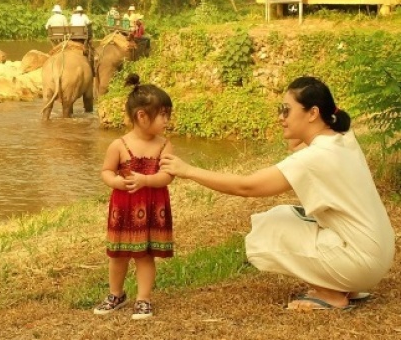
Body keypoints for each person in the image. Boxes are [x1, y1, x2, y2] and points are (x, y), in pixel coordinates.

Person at [160, 76, 395, 311]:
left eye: (286, 110)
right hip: (379, 253)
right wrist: (297, 131)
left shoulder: (315, 158)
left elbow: (247, 186)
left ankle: (331, 295)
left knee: (271, 227)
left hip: (361, 262)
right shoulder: (341, 137)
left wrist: (187, 170)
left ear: (312, 113)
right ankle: (344, 283)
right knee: (287, 214)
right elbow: (297, 146)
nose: (280, 117)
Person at [94, 73, 175, 320]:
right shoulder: (119, 145)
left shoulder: (164, 145)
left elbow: (168, 175)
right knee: (118, 255)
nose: (167, 120)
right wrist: (116, 181)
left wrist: (146, 180)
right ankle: (116, 294)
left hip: (151, 209)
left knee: (145, 255)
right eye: (163, 115)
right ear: (142, 116)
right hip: (124, 207)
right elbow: (106, 171)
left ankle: (143, 298)